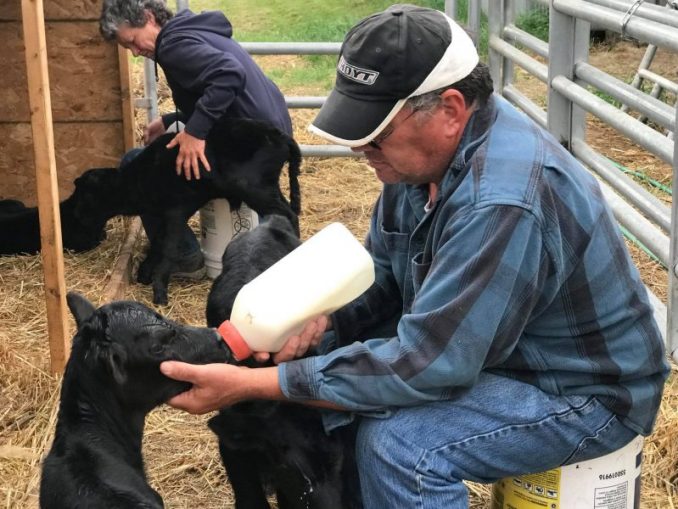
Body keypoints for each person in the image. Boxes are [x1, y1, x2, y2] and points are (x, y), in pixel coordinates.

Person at [160, 5, 670, 507]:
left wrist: (259, 384)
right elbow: (382, 275)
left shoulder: (502, 201)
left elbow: (431, 364)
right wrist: (324, 324)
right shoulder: (422, 163)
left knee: (404, 446)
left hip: (581, 391)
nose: (363, 151)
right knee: (347, 382)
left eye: (376, 133)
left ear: (449, 110)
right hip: (504, 354)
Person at [100, 0, 293, 278]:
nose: (134, 53)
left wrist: (194, 132)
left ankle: (182, 257)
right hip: (267, 136)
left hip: (246, 147)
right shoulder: (188, 30)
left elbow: (228, 75)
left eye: (132, 41)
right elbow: (208, 89)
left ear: (148, 17)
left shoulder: (173, 46)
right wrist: (169, 121)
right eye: (127, 48)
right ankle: (277, 252)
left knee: (136, 165)